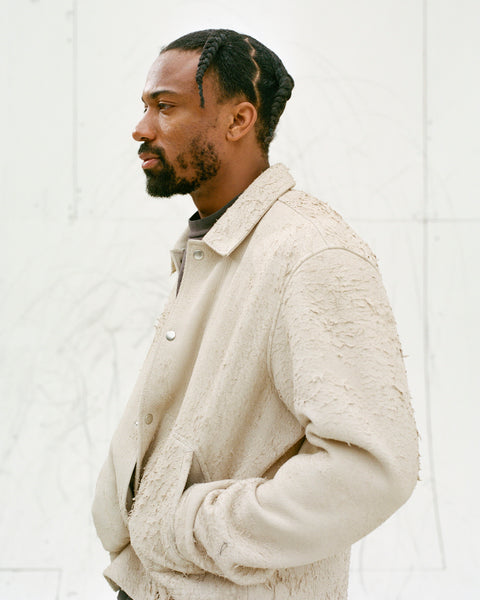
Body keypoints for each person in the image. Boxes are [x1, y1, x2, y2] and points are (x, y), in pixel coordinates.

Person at [92, 28, 419, 600]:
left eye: (165, 107)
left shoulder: (310, 252)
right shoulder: (216, 244)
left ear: (239, 120)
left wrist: (188, 527)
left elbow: (373, 469)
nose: (142, 128)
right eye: (144, 106)